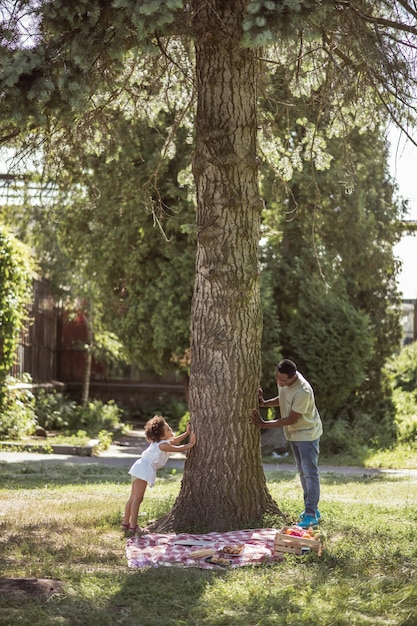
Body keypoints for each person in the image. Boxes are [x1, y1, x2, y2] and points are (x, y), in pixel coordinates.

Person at [251, 358, 323, 528]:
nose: (279, 382)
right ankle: (311, 508)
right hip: (294, 435)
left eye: (283, 380)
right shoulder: (284, 382)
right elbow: (283, 398)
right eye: (277, 378)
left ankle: (311, 514)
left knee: (309, 473)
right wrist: (265, 403)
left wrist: (264, 424)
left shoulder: (303, 391)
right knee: (302, 471)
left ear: (293, 377)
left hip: (307, 434)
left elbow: (291, 418)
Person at [122, 415, 196, 533]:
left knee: (133, 498)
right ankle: (133, 526)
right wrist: (191, 444)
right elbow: (178, 448)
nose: (171, 429)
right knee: (137, 498)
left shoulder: (161, 442)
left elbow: (175, 440)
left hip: (139, 467)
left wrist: (187, 433)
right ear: (161, 435)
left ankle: (125, 524)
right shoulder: (162, 445)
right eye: (168, 429)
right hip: (143, 469)